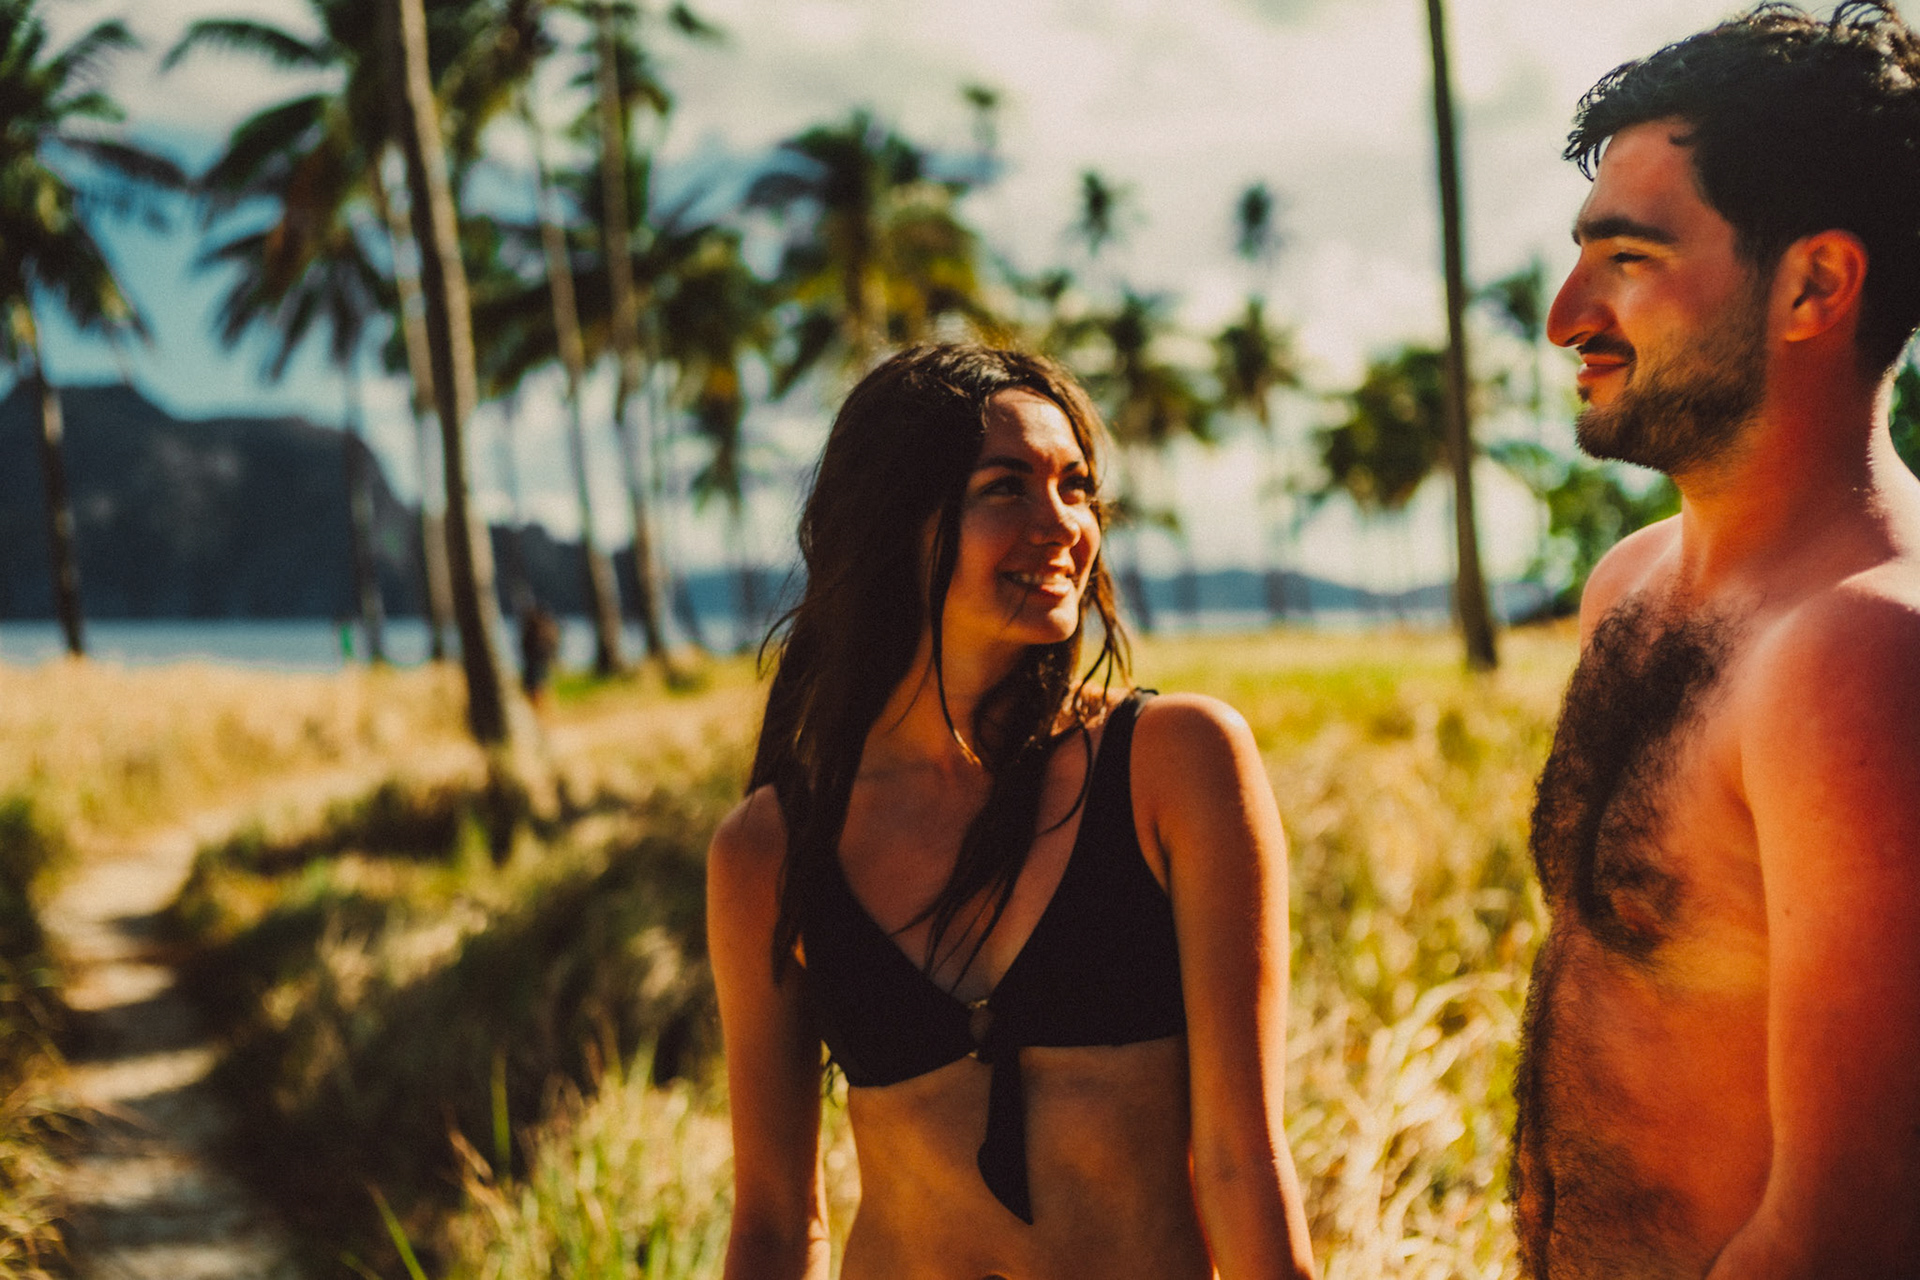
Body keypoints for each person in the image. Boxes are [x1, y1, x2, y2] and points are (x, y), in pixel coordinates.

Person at [707, 345, 1316, 1280]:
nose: (1062, 524)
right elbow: (776, 1229)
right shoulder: (772, 849)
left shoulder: (1174, 766)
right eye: (1006, 489)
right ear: (896, 524)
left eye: (1077, 487)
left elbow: (1244, 1162)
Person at [1513, 5, 1920, 1276]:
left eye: (1629, 258)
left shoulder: (1856, 655)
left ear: (1814, 284)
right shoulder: (1631, 586)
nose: (1567, 315)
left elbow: (1851, 1227)